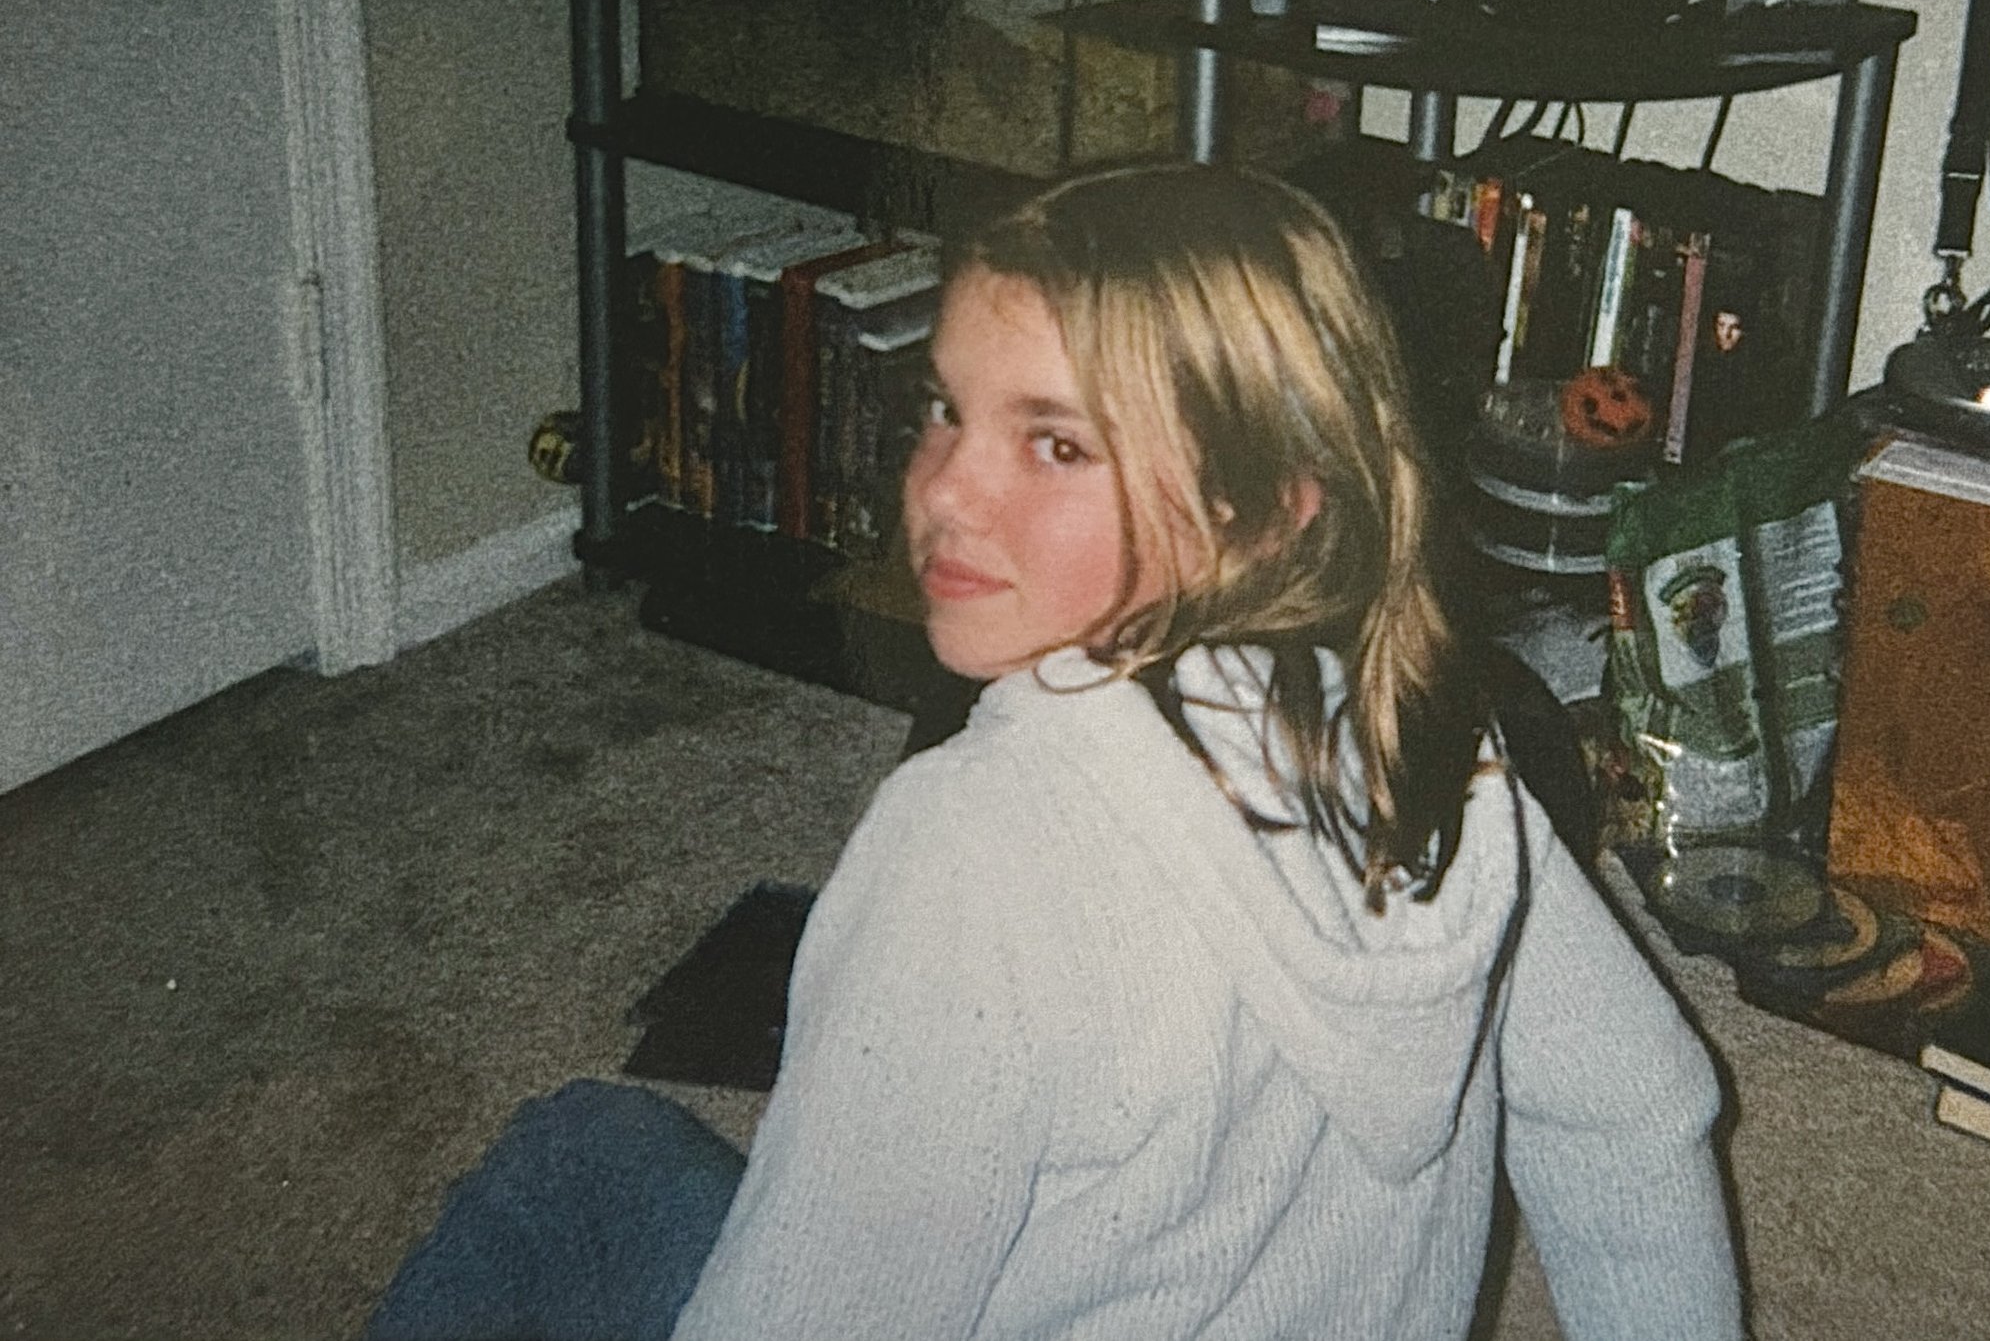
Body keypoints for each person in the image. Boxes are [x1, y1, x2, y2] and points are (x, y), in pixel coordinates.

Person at [370, 163, 1741, 1341]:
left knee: (581, 1157)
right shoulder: (1434, 743)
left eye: (1057, 444)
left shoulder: (966, 855)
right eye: (947, 408)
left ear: (1265, 512)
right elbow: (1634, 1112)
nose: (949, 486)